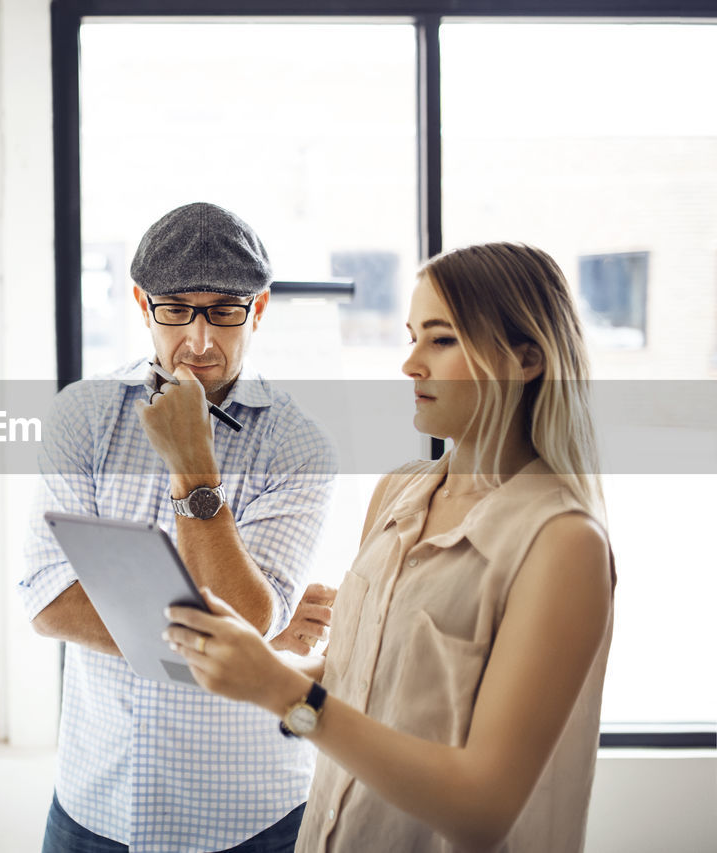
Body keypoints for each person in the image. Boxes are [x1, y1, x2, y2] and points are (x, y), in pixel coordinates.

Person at [163, 242, 616, 852]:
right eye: (411, 337)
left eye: (441, 339)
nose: (410, 365)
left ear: (526, 359)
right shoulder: (398, 493)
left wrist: (279, 687)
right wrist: (249, 666)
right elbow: (366, 676)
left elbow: (483, 809)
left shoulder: (563, 545)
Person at [20, 202, 339, 852]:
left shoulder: (301, 445)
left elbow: (246, 613)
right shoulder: (83, 415)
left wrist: (193, 469)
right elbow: (50, 602)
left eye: (224, 310)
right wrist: (255, 645)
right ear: (142, 303)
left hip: (245, 817)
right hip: (96, 804)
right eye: (176, 309)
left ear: (260, 308)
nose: (199, 340)